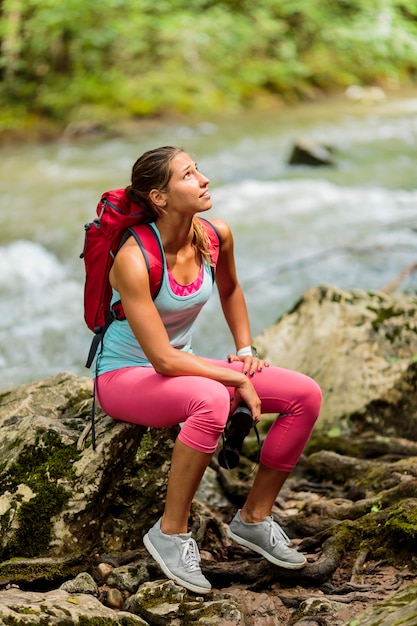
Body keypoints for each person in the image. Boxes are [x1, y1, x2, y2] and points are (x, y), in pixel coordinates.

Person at [94, 146, 322, 594]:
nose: (204, 180)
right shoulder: (134, 258)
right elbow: (161, 359)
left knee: (305, 395)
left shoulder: (214, 235)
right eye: (189, 175)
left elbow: (231, 288)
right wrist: (235, 377)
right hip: (126, 377)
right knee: (212, 398)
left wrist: (245, 349)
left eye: (198, 170)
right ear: (159, 197)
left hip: (185, 367)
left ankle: (253, 519)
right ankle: (171, 532)